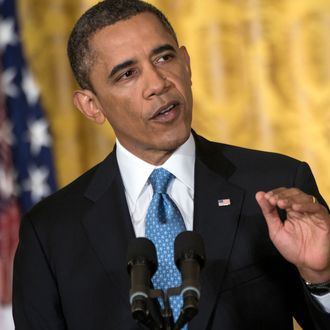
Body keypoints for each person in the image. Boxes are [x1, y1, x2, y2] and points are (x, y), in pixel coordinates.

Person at [12, 1, 330, 329]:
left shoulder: (276, 185)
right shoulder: (51, 233)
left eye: (164, 58)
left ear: (187, 64)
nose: (158, 83)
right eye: (127, 74)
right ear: (92, 106)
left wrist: (322, 277)